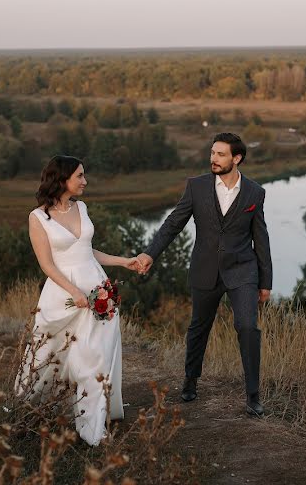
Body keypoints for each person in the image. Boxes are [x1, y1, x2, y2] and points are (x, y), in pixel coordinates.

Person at [136, 133, 272, 416]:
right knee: (199, 327)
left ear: (236, 158)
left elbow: (261, 237)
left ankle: (253, 395)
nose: (213, 159)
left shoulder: (254, 193)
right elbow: (173, 223)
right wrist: (150, 253)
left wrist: (265, 281)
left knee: (247, 326)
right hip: (205, 268)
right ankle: (190, 378)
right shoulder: (196, 187)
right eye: (212, 153)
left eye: (220, 154)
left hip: (242, 270)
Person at [15, 155, 141, 445]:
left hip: (98, 292)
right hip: (63, 296)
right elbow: (47, 264)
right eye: (80, 176)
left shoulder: (81, 207)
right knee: (45, 354)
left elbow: (87, 251)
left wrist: (124, 261)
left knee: (95, 357)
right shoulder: (38, 218)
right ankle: (23, 413)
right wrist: (74, 292)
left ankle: (93, 428)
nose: (85, 181)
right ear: (62, 180)